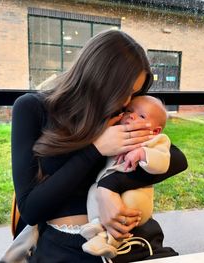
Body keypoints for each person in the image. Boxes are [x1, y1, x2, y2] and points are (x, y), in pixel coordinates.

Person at [10, 29, 187, 262]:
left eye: (133, 94)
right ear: (98, 78)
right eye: (124, 92)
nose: (127, 102)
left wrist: (107, 188)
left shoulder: (121, 111)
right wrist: (95, 150)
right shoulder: (33, 108)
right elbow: (31, 209)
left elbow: (175, 158)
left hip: (132, 239)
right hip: (68, 246)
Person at [80, 95, 171, 259]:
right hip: (108, 190)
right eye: (129, 111)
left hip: (137, 194)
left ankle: (111, 241)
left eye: (141, 116)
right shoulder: (118, 134)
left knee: (129, 201)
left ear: (155, 130)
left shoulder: (156, 140)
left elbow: (163, 162)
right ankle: (97, 224)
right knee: (94, 191)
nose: (131, 116)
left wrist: (143, 153)